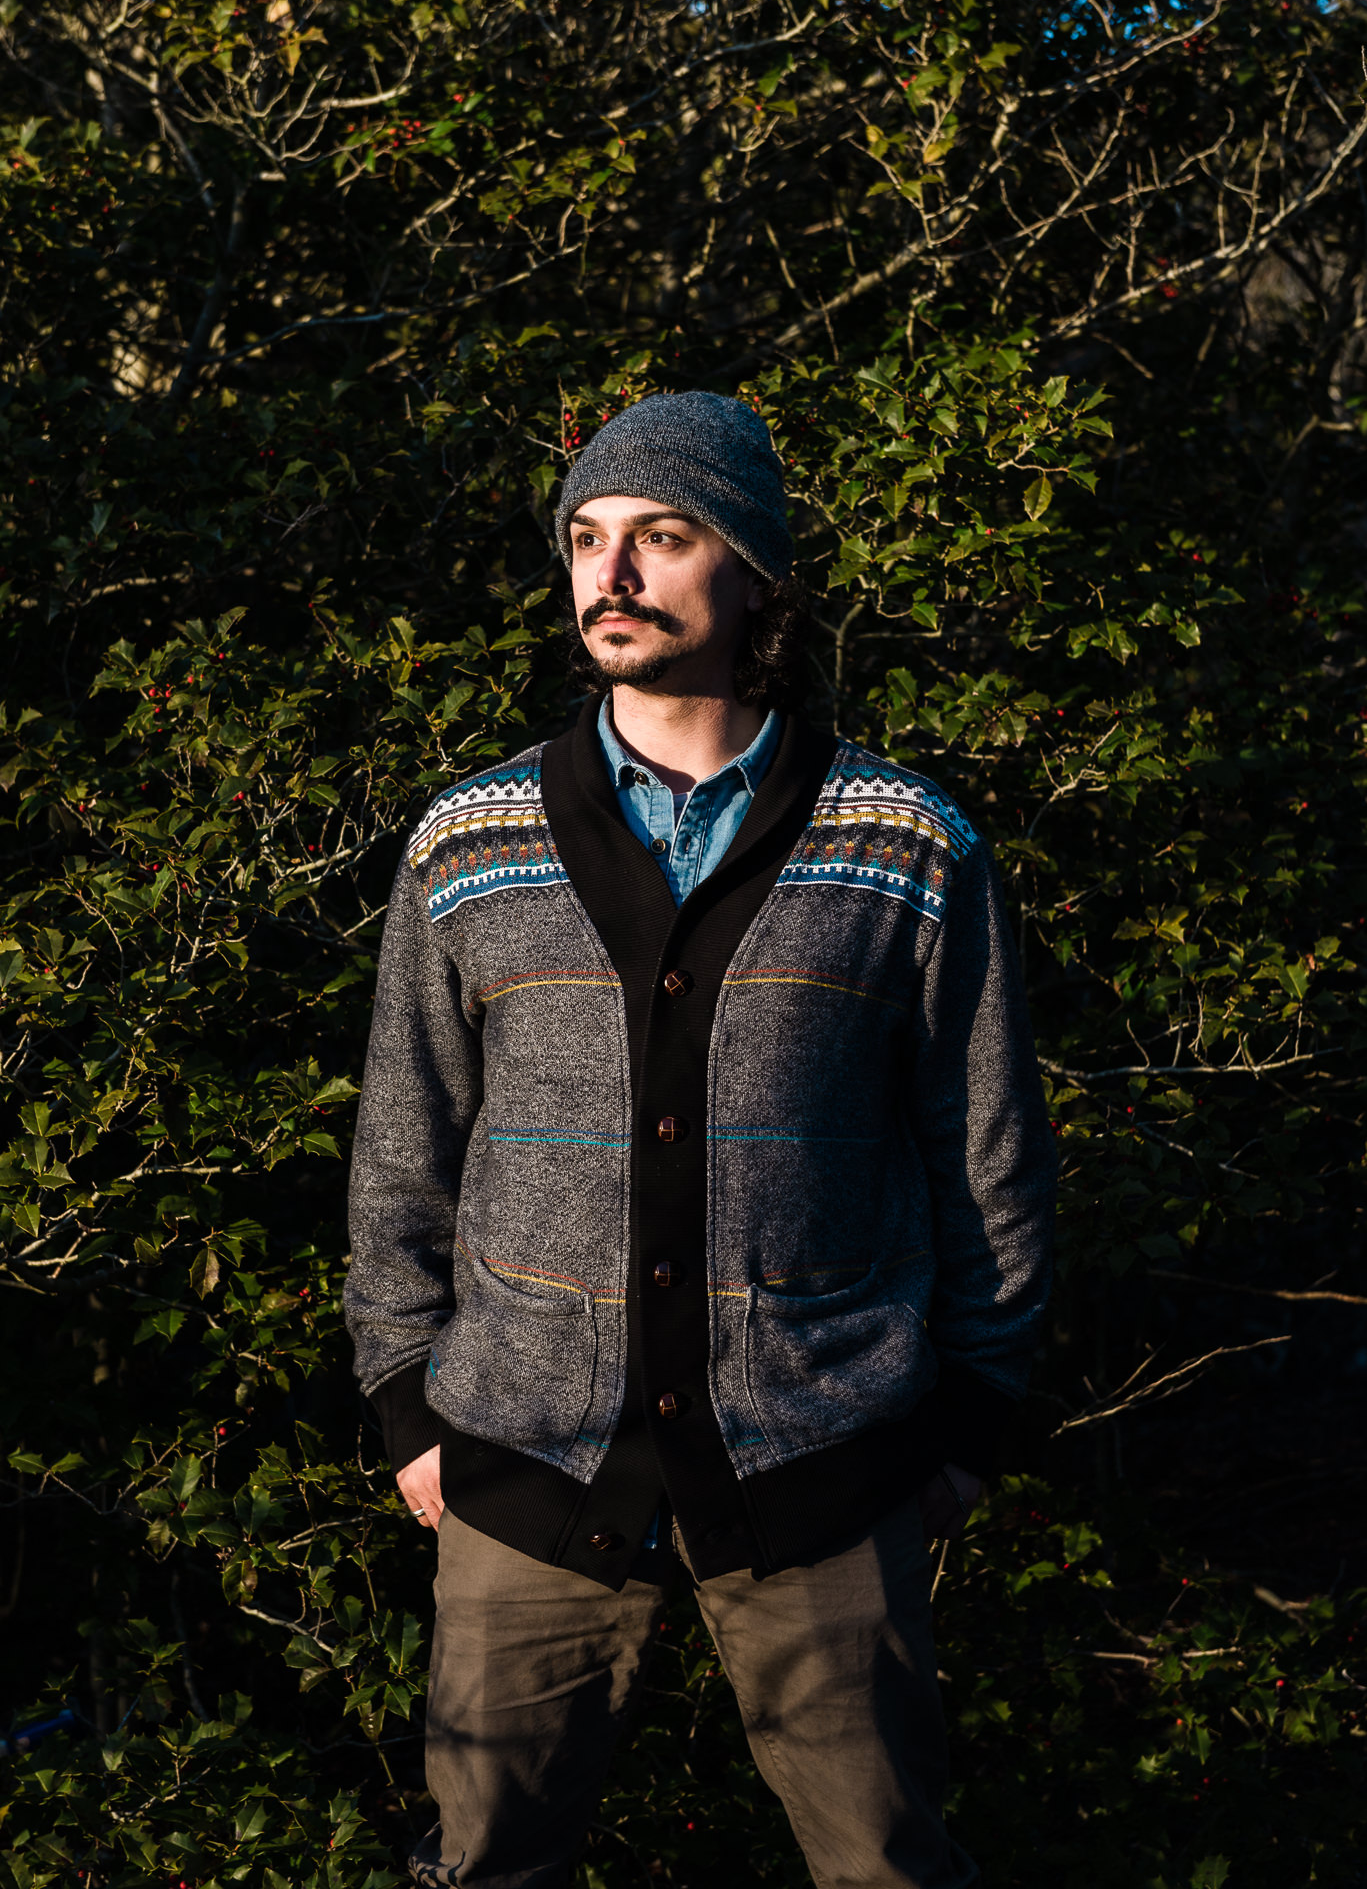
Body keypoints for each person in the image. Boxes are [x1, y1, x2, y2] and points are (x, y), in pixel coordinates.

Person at [344, 391, 1056, 1889]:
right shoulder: (467, 842)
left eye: (662, 540)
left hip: (826, 1461)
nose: (613, 575)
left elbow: (984, 1147)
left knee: (890, 1866)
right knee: (482, 1867)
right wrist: (408, 1402)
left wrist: (974, 1423)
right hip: (522, 1461)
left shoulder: (908, 842)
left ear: (755, 580)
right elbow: (406, 1140)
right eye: (588, 541)